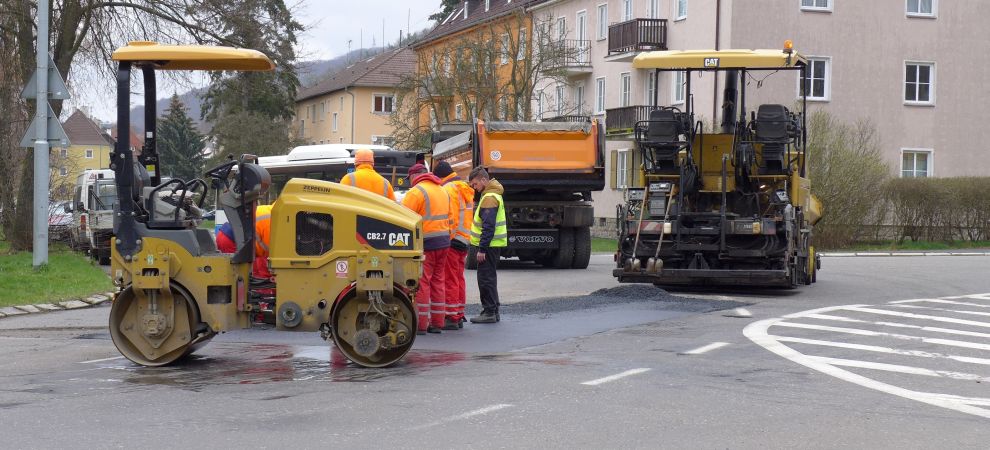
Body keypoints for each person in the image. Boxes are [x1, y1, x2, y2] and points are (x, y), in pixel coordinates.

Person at [401, 163, 452, 334]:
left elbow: (402, 218)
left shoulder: (416, 192)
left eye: (410, 179)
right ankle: (437, 323)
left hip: (426, 244)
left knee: (423, 282)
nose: (410, 183)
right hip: (444, 242)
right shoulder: (442, 190)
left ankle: (421, 325)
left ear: (415, 176)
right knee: (438, 281)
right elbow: (450, 217)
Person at [433, 161, 474, 330]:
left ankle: (451, 316)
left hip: (453, 239)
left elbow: (453, 217)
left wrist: (447, 238)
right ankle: (459, 312)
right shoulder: (463, 187)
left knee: (449, 279)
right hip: (465, 238)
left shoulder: (448, 189)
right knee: (458, 278)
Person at [468, 167, 506, 324]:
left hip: (488, 246)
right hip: (493, 244)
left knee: (485, 278)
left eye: (475, 184)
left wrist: (482, 248)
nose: (474, 188)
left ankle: (489, 311)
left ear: (483, 180)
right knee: (490, 277)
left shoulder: (489, 198)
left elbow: (488, 226)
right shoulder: (492, 195)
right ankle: (493, 309)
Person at [253, 204, 274, 280]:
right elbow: (270, 251)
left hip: (227, 235)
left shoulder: (268, 209)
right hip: (232, 240)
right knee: (264, 277)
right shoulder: (271, 224)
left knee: (256, 276)